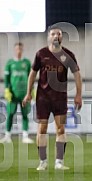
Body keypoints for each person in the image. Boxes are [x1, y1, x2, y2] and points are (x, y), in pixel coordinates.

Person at [22, 25, 82, 171]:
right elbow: (32, 74)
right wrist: (28, 92)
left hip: (60, 98)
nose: (56, 36)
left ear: (62, 37)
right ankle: (42, 161)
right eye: (53, 34)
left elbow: (77, 75)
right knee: (41, 129)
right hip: (43, 98)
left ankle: (59, 162)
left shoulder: (68, 55)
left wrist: (78, 95)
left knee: (60, 129)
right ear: (49, 36)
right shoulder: (41, 54)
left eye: (59, 34)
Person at [0, 42, 34, 144]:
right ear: (15, 50)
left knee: (25, 115)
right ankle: (7, 135)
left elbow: (31, 77)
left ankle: (25, 136)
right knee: (10, 114)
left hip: (24, 94)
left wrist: (32, 90)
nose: (19, 51)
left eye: (20, 49)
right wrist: (6, 90)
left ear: (22, 50)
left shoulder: (27, 63)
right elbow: (6, 79)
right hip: (13, 94)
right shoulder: (10, 63)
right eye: (17, 49)